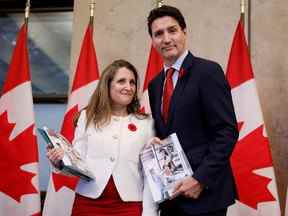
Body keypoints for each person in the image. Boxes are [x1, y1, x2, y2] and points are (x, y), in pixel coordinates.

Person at [147, 5, 239, 216]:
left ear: (184, 32)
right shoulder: (154, 85)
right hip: (171, 198)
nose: (166, 39)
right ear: (152, 41)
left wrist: (200, 179)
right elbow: (166, 135)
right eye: (158, 34)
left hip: (205, 197)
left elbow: (226, 132)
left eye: (172, 30)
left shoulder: (208, 72)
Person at [47, 59, 158, 216]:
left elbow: (149, 174)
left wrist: (149, 212)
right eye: (121, 81)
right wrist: (60, 162)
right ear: (107, 85)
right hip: (87, 204)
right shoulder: (87, 117)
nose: (128, 87)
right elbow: (77, 161)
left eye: (132, 82)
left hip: (130, 207)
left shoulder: (146, 123)